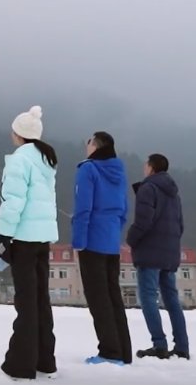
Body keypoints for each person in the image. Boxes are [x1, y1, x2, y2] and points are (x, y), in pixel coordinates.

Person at [0, 106, 59, 381]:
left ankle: (21, 363)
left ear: (19, 134)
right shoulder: (46, 160)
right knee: (40, 300)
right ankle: (45, 360)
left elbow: (14, 201)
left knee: (26, 302)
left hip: (22, 237)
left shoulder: (19, 160)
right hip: (43, 238)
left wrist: (3, 235)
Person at [72, 131, 132, 365]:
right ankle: (123, 351)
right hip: (111, 240)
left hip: (92, 240)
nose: (86, 145)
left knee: (98, 299)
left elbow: (83, 207)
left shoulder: (88, 169)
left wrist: (79, 240)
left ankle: (109, 351)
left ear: (95, 146)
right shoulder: (119, 171)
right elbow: (124, 208)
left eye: (88, 141)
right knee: (113, 296)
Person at [127, 153, 190, 360]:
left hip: (150, 253)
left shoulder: (148, 188)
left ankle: (159, 344)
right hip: (169, 253)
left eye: (146, 164)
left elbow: (143, 221)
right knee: (171, 299)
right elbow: (180, 225)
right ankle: (182, 346)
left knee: (147, 298)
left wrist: (131, 239)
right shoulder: (174, 194)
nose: (144, 167)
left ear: (151, 167)